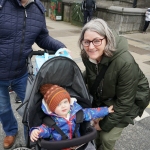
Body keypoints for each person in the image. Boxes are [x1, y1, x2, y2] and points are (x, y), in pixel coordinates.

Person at [0, 0, 67, 149]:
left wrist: (60, 47)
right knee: (3, 108)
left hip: (21, 73)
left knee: (31, 109)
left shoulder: (37, 8)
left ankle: (31, 138)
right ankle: (11, 131)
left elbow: (42, 37)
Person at [78, 18, 150, 150]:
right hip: (107, 95)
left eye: (97, 40)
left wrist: (103, 125)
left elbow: (125, 102)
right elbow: (90, 74)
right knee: (91, 131)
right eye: (86, 42)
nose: (91, 46)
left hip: (132, 99)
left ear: (107, 39)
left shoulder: (125, 62)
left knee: (106, 137)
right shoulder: (86, 55)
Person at [30, 84, 114, 147]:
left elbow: (92, 112)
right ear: (52, 109)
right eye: (58, 105)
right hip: (59, 146)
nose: (63, 106)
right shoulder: (51, 121)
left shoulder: (76, 113)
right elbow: (44, 129)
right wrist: (37, 131)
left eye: (65, 102)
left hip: (77, 143)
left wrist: (106, 110)